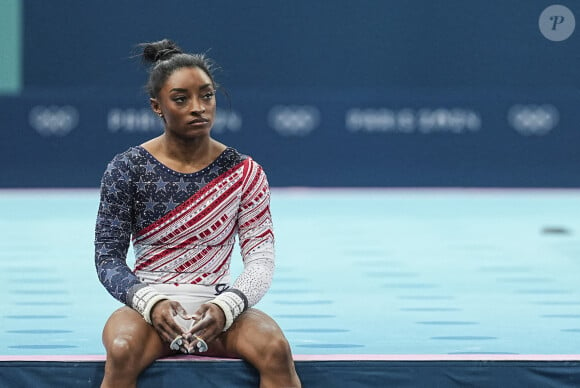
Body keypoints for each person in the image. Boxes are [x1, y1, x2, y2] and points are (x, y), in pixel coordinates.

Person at [94, 39, 302, 388]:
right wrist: (151, 303)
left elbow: (261, 260)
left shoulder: (245, 173)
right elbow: (108, 260)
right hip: (149, 309)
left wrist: (227, 307)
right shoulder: (126, 169)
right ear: (157, 106)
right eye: (181, 99)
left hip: (219, 306)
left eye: (207, 96)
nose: (198, 108)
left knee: (276, 350)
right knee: (121, 347)